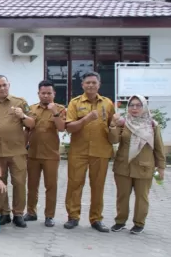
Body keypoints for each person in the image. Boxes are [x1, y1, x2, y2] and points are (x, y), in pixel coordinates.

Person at [0, 75, 34, 228]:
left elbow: (32, 123)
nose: (2, 88)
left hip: (17, 151)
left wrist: (22, 115)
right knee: (0, 183)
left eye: (4, 85)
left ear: (9, 85)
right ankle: (4, 213)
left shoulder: (20, 102)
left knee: (19, 183)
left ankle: (18, 214)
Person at [64, 71, 115, 232]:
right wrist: (86, 119)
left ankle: (96, 219)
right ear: (83, 85)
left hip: (100, 151)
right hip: (79, 151)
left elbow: (113, 125)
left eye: (94, 82)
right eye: (88, 83)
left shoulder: (107, 104)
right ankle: (73, 217)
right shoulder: (74, 103)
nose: (91, 85)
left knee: (98, 186)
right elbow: (70, 127)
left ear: (99, 85)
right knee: (74, 184)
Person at [108, 95, 165, 234]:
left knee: (142, 197)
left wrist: (161, 167)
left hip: (144, 166)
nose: (134, 108)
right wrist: (113, 125)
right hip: (123, 166)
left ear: (144, 107)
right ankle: (120, 221)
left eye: (138, 105)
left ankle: (139, 223)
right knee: (122, 196)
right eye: (131, 105)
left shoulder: (152, 125)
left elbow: (159, 147)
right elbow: (114, 140)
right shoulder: (123, 122)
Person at [26, 80, 66, 227]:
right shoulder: (31, 109)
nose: (46, 96)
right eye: (43, 93)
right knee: (32, 185)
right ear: (38, 94)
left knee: (51, 186)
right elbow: (27, 130)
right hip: (33, 154)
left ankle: (49, 215)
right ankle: (31, 212)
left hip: (51, 155)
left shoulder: (60, 109)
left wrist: (54, 111)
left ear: (54, 94)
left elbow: (61, 128)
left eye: (49, 93)